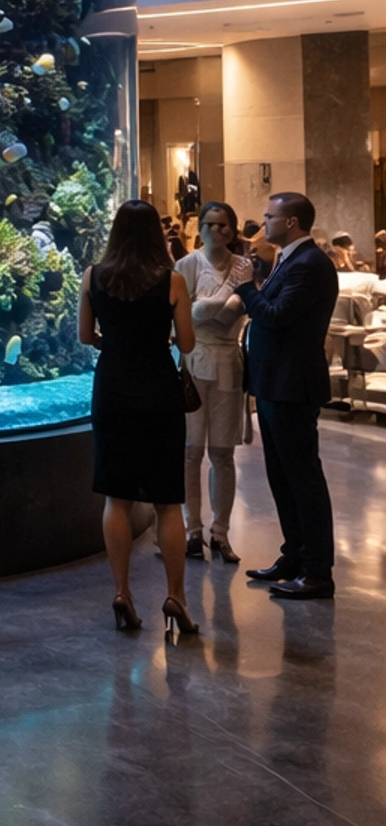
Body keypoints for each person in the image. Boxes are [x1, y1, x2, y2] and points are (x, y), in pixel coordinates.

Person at [79, 197, 199, 640]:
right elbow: (187, 343)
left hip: (112, 388)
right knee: (167, 500)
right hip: (158, 391)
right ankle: (175, 597)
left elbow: (84, 335)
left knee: (117, 497)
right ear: (155, 235)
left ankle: (122, 592)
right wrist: (158, 336)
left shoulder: (93, 276)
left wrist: (114, 340)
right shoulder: (172, 280)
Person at [229, 192, 339, 600]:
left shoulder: (309, 264)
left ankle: (317, 572)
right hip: (275, 383)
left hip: (293, 386)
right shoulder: (289, 260)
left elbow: (275, 316)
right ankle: (294, 555)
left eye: (269, 217)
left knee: (302, 479)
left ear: (291, 222)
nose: (263, 224)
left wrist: (245, 288)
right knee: (282, 476)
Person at [174, 202, 247, 563]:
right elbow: (186, 317)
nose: (218, 230)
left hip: (228, 363)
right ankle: (192, 529)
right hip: (193, 361)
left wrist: (202, 309)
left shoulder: (243, 265)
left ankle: (221, 530)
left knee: (222, 453)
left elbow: (227, 316)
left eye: (224, 225)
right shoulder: (187, 265)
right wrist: (215, 302)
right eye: (211, 224)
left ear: (233, 229)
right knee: (191, 452)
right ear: (200, 228)